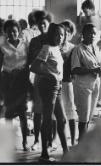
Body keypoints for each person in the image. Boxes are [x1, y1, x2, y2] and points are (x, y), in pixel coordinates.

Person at [30, 23, 69, 162]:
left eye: (62, 34)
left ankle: (66, 151)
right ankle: (44, 153)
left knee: (62, 119)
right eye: (57, 34)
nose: (60, 37)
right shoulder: (47, 48)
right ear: (51, 35)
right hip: (48, 86)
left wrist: (55, 78)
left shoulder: (57, 49)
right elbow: (34, 67)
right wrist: (50, 74)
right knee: (47, 119)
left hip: (57, 87)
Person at [0, 19, 30, 151]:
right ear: (6, 32)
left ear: (19, 31)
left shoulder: (25, 45)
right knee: (9, 113)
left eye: (15, 31)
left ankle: (25, 142)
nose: (12, 33)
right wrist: (0, 87)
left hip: (21, 82)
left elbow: (28, 64)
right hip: (8, 82)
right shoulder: (2, 47)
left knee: (22, 113)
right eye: (9, 31)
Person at [71, 23, 101, 141]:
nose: (92, 35)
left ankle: (84, 143)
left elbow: (99, 66)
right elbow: (75, 69)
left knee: (90, 116)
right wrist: (92, 70)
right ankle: (81, 144)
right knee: (83, 117)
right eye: (90, 33)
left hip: (95, 84)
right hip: (83, 86)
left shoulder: (96, 49)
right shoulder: (78, 49)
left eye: (94, 33)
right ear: (83, 34)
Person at [27, 10, 57, 151]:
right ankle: (37, 140)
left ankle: (52, 141)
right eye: (40, 25)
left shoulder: (54, 40)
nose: (42, 27)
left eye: (44, 24)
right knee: (38, 110)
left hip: (54, 79)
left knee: (51, 111)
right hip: (39, 77)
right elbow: (30, 61)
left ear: (49, 24)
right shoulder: (34, 41)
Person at [60, 20, 77, 146]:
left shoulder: (73, 48)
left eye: (68, 32)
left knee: (70, 110)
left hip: (68, 82)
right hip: (55, 83)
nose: (65, 35)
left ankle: (72, 140)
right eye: (63, 32)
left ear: (71, 34)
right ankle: (54, 141)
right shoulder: (54, 46)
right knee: (57, 114)